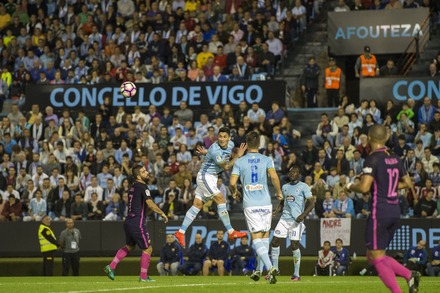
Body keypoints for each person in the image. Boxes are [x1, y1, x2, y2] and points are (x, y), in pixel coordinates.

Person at [346, 124, 421, 292]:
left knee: (377, 258)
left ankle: (402, 284)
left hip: (379, 212)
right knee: (372, 256)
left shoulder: (373, 159)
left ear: (370, 139)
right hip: (395, 211)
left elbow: (364, 188)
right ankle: (409, 275)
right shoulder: (395, 158)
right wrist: (387, 186)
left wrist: (350, 186)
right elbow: (407, 182)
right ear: (386, 138)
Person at [174, 127, 247, 249]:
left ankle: (180, 232)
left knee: (197, 205)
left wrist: (206, 153)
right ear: (217, 137)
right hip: (205, 177)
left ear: (229, 138)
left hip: (211, 177)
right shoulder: (215, 150)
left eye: (225, 137)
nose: (222, 139)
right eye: (220, 136)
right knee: (221, 199)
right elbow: (226, 167)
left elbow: (222, 154)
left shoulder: (231, 144)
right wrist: (238, 156)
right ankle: (230, 231)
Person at [230, 131, 283, 284]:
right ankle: (259, 270)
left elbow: (232, 183)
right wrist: (278, 193)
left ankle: (270, 267)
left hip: (251, 204)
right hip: (266, 202)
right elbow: (274, 177)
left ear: (246, 144)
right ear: (259, 144)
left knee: (256, 237)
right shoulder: (267, 159)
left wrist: (235, 193)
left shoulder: (240, 161)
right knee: (265, 236)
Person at [104, 165, 168, 282]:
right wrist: (162, 213)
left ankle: (111, 266)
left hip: (128, 221)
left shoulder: (132, 187)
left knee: (130, 246)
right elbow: (150, 203)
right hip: (137, 222)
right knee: (147, 249)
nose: (147, 172)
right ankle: (143, 277)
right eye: (144, 171)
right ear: (139, 176)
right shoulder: (143, 186)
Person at [270, 165, 314, 281]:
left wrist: (303, 215)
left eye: (295, 171)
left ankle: (296, 274)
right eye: (291, 172)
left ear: (299, 175)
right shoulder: (284, 187)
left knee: (294, 245)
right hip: (284, 219)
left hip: (296, 220)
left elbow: (311, 203)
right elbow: (283, 202)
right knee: (274, 241)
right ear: (289, 175)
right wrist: (277, 211)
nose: (293, 173)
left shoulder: (304, 186)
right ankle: (275, 269)